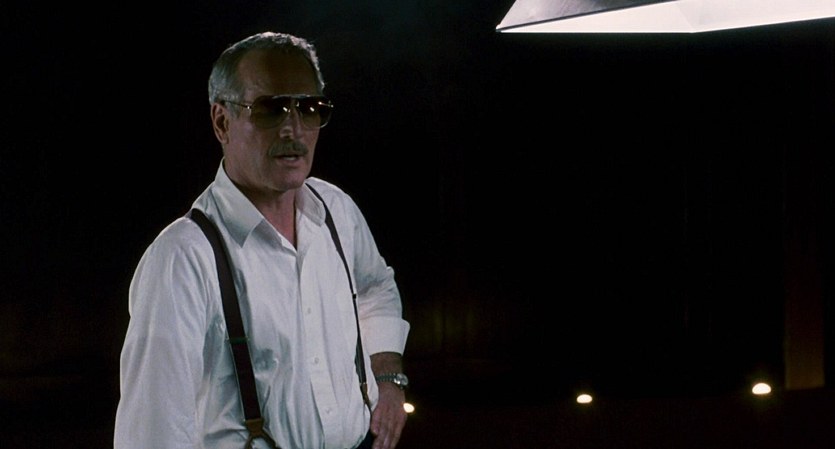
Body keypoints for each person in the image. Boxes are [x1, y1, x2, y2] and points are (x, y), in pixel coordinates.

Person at [114, 31, 411, 449]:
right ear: (222, 122)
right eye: (271, 109)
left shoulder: (336, 211)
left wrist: (388, 376)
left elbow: (376, 287)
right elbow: (153, 433)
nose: (294, 129)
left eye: (309, 109)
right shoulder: (183, 257)